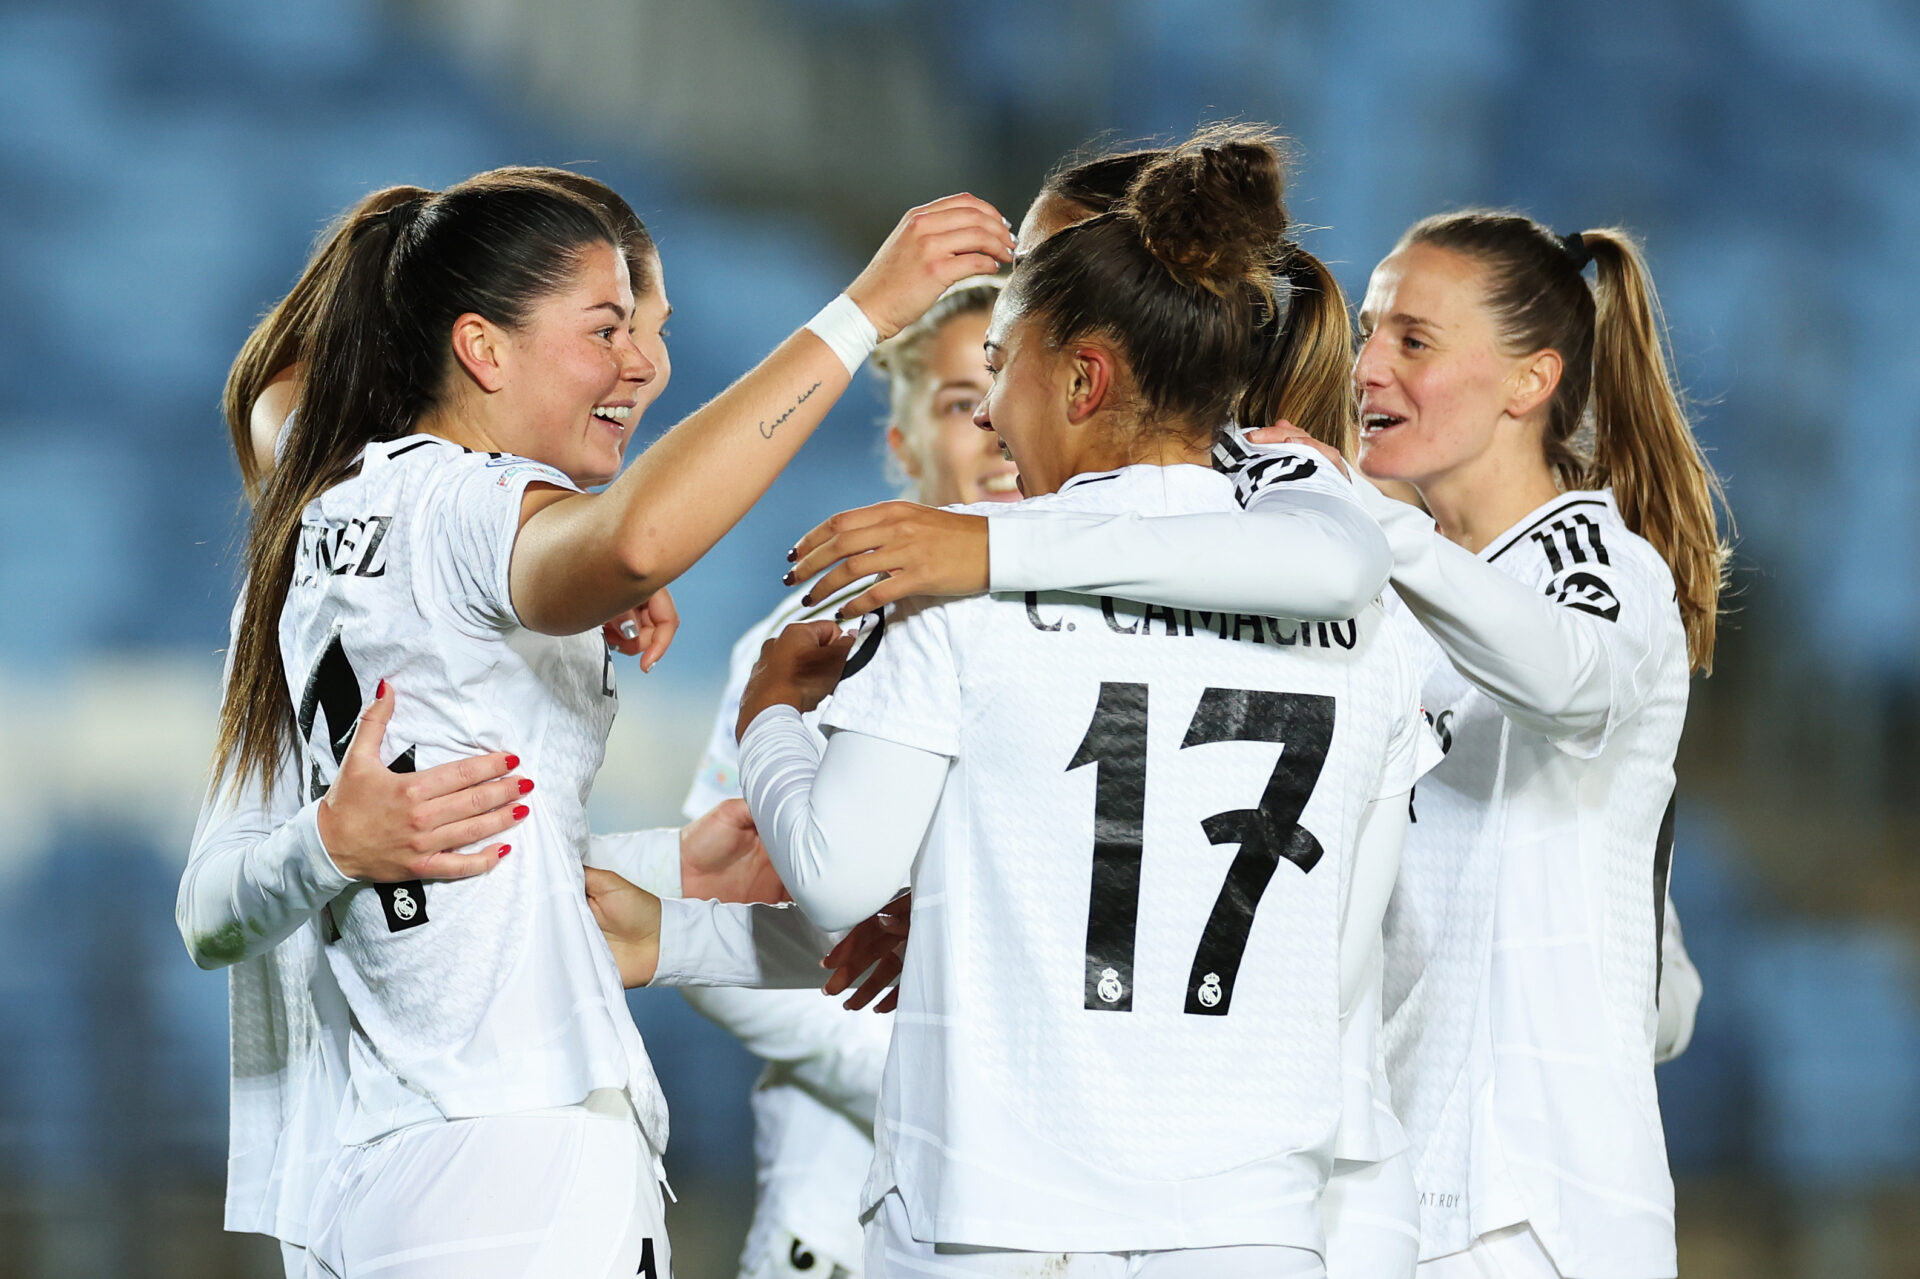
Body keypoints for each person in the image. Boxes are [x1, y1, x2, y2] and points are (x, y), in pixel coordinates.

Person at [797, 209, 1726, 1279]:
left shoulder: (1585, 559)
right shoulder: (1369, 593)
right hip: (1376, 1191)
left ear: (1531, 381)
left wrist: (991, 546)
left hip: (1529, 1208)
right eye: (1371, 331)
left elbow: (1572, 680)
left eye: (1414, 341)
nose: (1370, 365)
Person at [198, 166, 1013, 1278]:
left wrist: (666, 870)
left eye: (651, 326)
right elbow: (639, 538)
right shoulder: (459, 506)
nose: (649, 363)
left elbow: (395, 879)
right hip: (519, 1160)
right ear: (482, 348)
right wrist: (864, 306)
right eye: (610, 324)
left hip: (368, 1169)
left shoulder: (319, 520)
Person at [729, 127, 1438, 1277]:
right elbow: (1336, 958)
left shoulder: (958, 569)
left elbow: (835, 875)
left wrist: (771, 716)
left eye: (998, 363)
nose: (990, 417)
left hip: (993, 1211)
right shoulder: (1370, 617)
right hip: (1250, 1221)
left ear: (1083, 375)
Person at [676, 276, 1006, 1279]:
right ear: (903, 441)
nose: (995, 430)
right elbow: (711, 915)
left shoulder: (1134, 642)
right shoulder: (804, 649)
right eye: (959, 403)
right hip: (843, 1212)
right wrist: (951, 1088)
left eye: (1009, 390)